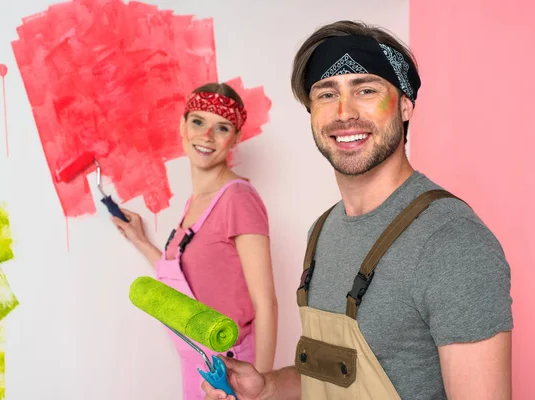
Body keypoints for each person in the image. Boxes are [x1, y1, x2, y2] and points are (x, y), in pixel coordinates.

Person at [202, 20, 513, 400]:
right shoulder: (322, 231)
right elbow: (329, 376)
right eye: (326, 93)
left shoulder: (451, 242)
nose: (343, 111)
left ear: (405, 106)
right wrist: (266, 387)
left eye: (366, 90)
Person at [112, 82, 278, 399]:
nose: (207, 136)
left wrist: (263, 388)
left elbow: (266, 304)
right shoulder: (195, 202)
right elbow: (185, 280)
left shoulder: (238, 199)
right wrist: (140, 240)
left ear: (236, 137)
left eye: (222, 127)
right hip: (195, 364)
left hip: (229, 371)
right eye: (198, 122)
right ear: (183, 126)